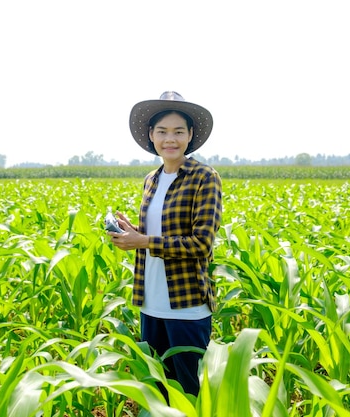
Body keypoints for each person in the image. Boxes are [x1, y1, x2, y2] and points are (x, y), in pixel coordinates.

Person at [108, 91, 222, 398]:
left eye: (178, 131)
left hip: (186, 306)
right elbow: (158, 233)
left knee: (188, 392)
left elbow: (201, 243)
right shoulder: (152, 179)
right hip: (150, 303)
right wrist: (133, 233)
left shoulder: (205, 178)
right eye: (162, 132)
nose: (169, 139)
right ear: (151, 135)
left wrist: (143, 240)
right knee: (158, 392)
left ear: (190, 136)